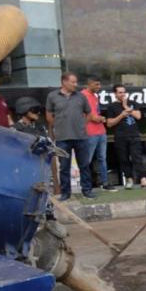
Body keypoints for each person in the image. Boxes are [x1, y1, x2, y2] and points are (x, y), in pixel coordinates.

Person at [46, 71, 95, 200]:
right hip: (62, 138)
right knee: (64, 168)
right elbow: (49, 115)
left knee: (84, 165)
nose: (75, 84)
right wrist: (57, 127)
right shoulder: (52, 96)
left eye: (76, 82)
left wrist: (82, 125)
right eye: (73, 82)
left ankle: (87, 190)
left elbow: (89, 113)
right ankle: (65, 193)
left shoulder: (81, 96)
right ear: (64, 82)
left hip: (81, 137)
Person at [106, 85, 146, 190]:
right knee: (123, 159)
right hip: (120, 136)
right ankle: (129, 179)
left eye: (124, 92)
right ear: (115, 94)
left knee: (137, 157)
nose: (123, 94)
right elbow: (109, 123)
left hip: (134, 135)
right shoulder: (111, 107)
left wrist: (126, 107)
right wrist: (121, 116)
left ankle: (143, 179)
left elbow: (138, 116)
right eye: (120, 92)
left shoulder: (133, 103)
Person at [81, 76, 115, 192]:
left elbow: (96, 113)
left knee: (102, 158)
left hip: (101, 131)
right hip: (89, 132)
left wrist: (99, 118)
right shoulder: (82, 95)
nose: (99, 87)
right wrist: (100, 119)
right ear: (89, 84)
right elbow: (89, 116)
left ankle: (104, 183)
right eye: (97, 84)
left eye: (99, 84)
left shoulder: (95, 96)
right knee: (87, 160)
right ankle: (86, 186)